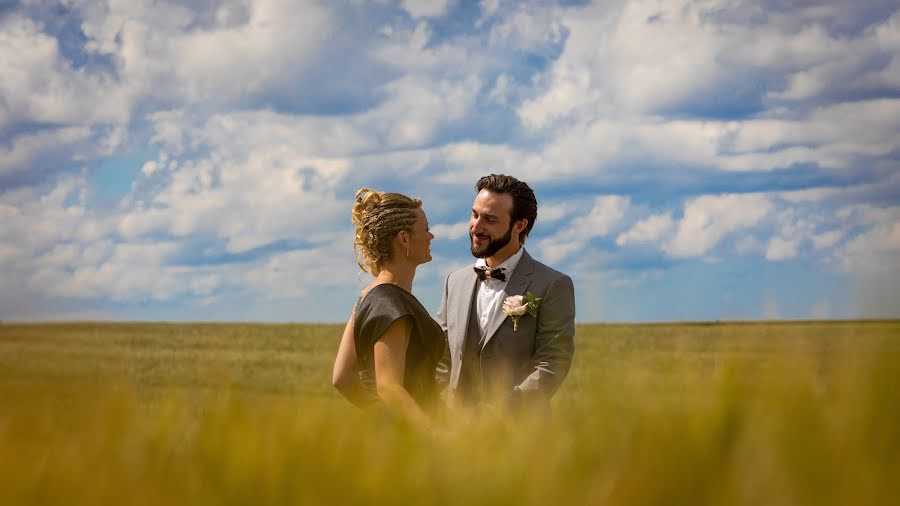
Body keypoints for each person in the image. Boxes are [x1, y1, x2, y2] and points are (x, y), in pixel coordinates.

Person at [435, 174, 575, 411]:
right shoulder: (454, 282)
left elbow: (552, 363)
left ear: (519, 225)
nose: (476, 227)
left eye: (490, 219)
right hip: (455, 434)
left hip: (522, 436)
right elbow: (441, 358)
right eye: (474, 214)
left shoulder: (553, 284)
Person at [332, 189, 444, 429]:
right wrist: (434, 433)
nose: (431, 236)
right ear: (404, 239)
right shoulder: (392, 303)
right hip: (414, 442)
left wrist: (381, 418)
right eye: (425, 229)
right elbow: (389, 387)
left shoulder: (366, 297)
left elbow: (341, 378)